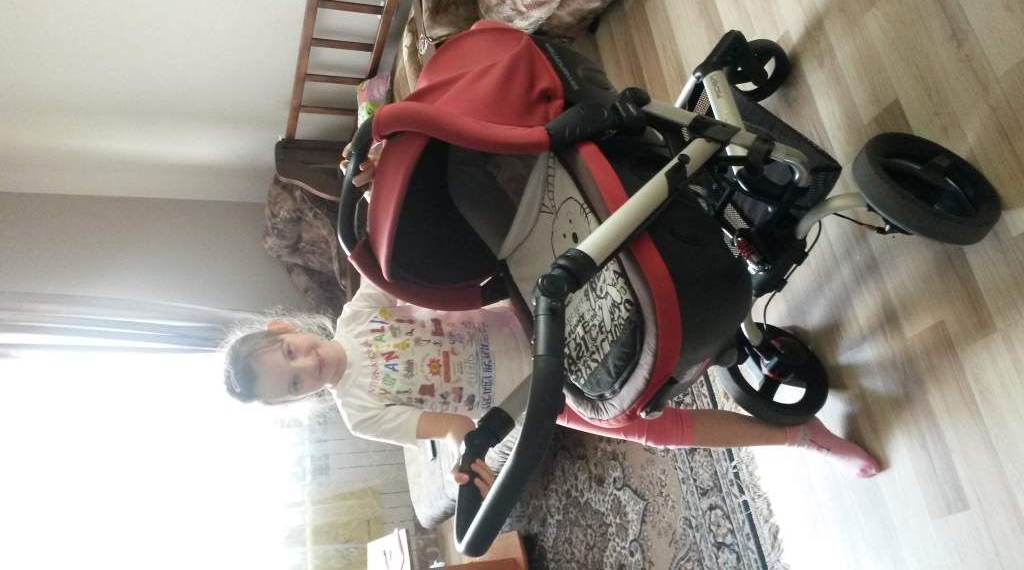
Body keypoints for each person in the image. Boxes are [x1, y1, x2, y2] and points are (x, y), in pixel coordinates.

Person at [223, 145, 881, 498]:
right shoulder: (362, 415)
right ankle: (800, 436)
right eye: (295, 384)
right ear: (297, 403)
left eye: (291, 356)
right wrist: (468, 459)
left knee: (629, 276)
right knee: (646, 427)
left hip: (534, 308)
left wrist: (369, 183)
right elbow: (451, 425)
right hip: (540, 391)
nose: (307, 367)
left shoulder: (360, 312)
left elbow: (390, 251)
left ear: (287, 332)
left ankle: (709, 275)